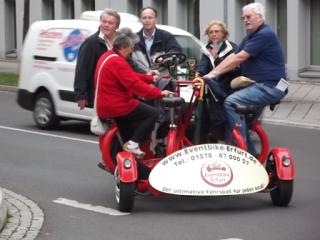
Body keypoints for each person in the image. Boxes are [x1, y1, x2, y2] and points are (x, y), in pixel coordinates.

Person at [204, 2, 288, 156]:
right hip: (262, 84)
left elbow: (240, 58)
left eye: (249, 17)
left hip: (270, 86)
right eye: (244, 18)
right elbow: (233, 56)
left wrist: (213, 74)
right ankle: (251, 154)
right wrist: (211, 73)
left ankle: (239, 151)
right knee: (231, 103)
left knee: (231, 102)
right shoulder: (252, 35)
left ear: (260, 17)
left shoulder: (264, 34)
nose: (246, 20)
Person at [94, 27, 172, 158]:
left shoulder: (108, 56)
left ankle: (129, 152)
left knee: (129, 131)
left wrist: (148, 78)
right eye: (132, 47)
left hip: (107, 103)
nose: (132, 50)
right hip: (117, 104)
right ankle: (134, 144)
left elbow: (128, 75)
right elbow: (134, 85)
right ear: (124, 46)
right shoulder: (118, 61)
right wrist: (159, 93)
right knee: (153, 114)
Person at [74, 9, 120, 110]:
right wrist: (81, 95)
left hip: (118, 92)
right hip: (99, 93)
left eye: (110, 23)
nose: (106, 25)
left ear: (117, 26)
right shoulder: (91, 42)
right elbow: (82, 70)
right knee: (101, 123)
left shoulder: (121, 42)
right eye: (104, 21)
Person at [133, 6, 182, 72]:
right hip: (141, 77)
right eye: (144, 18)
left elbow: (176, 52)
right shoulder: (133, 39)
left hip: (162, 76)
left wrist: (163, 58)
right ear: (140, 20)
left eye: (150, 18)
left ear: (156, 20)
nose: (147, 20)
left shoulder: (166, 36)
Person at [197, 20, 239, 95]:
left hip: (229, 86)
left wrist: (216, 57)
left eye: (217, 31)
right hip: (212, 86)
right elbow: (202, 68)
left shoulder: (232, 47)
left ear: (223, 34)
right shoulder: (207, 49)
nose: (213, 34)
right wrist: (198, 75)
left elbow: (233, 68)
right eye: (211, 32)